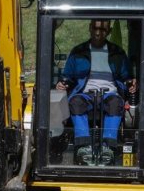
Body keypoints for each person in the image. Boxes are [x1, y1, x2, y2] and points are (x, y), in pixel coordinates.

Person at [56, 20, 136, 165]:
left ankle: (108, 148)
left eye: (103, 30)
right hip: (85, 93)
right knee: (75, 102)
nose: (98, 33)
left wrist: (131, 82)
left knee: (115, 103)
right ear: (90, 28)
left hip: (110, 93)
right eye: (95, 28)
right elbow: (67, 75)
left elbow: (127, 76)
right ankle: (83, 147)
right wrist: (62, 83)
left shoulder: (118, 53)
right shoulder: (78, 52)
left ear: (109, 32)